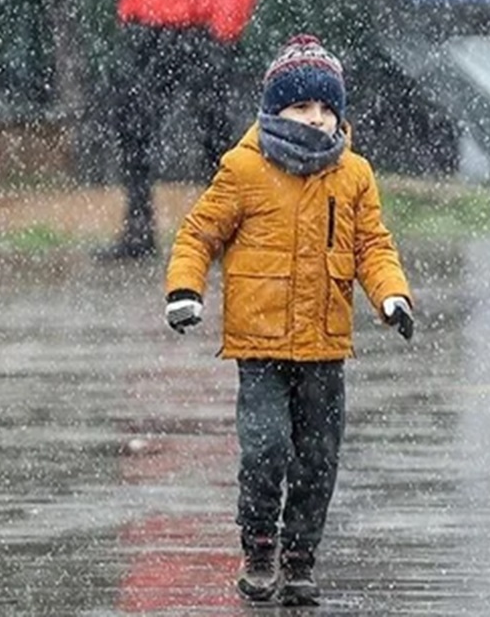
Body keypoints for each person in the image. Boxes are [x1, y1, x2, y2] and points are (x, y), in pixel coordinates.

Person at [163, 35, 417, 606]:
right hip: (260, 346)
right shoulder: (243, 169)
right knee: (265, 447)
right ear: (274, 108)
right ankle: (258, 545)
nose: (317, 118)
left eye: (327, 108)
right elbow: (199, 234)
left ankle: (300, 557)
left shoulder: (353, 175)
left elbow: (373, 246)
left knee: (318, 457)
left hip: (326, 346)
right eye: (302, 106)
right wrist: (184, 289)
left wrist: (391, 297)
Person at [99, 0, 263, 259]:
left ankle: (223, 231)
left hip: (199, 26)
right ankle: (139, 227)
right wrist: (132, 11)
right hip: (152, 25)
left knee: (214, 135)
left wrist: (222, 28)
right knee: (133, 125)